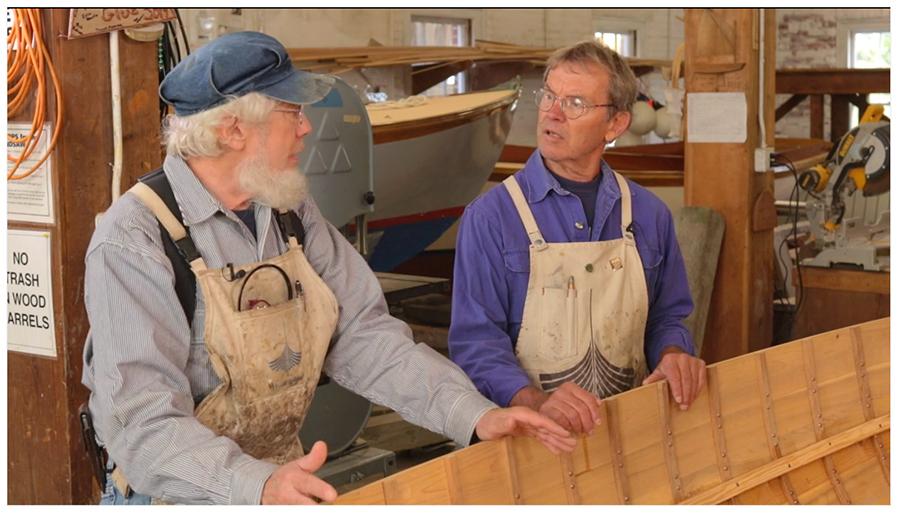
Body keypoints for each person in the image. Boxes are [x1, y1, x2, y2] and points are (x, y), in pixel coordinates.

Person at [81, 31, 574, 506]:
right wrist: (258, 486)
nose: (306, 127)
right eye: (291, 112)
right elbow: (142, 426)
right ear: (233, 130)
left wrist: (473, 414)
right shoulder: (135, 240)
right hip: (175, 497)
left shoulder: (288, 212)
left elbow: (362, 336)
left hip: (279, 483)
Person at [449, 40, 706, 436]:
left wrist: (673, 354)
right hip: (532, 439)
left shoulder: (649, 214)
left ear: (616, 124)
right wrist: (535, 402)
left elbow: (666, 317)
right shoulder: (491, 218)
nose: (552, 113)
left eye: (575, 103)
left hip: (630, 432)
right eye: (549, 95)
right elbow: (477, 343)